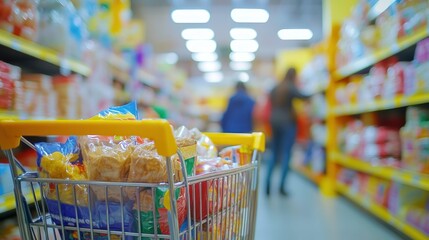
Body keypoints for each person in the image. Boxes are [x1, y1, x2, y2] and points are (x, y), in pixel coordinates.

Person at [266, 67, 309, 196]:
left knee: (274, 153)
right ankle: (281, 187)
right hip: (288, 123)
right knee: (286, 154)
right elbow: (303, 96)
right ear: (294, 76)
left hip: (274, 121)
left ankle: (267, 186)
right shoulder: (290, 87)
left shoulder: (275, 88)